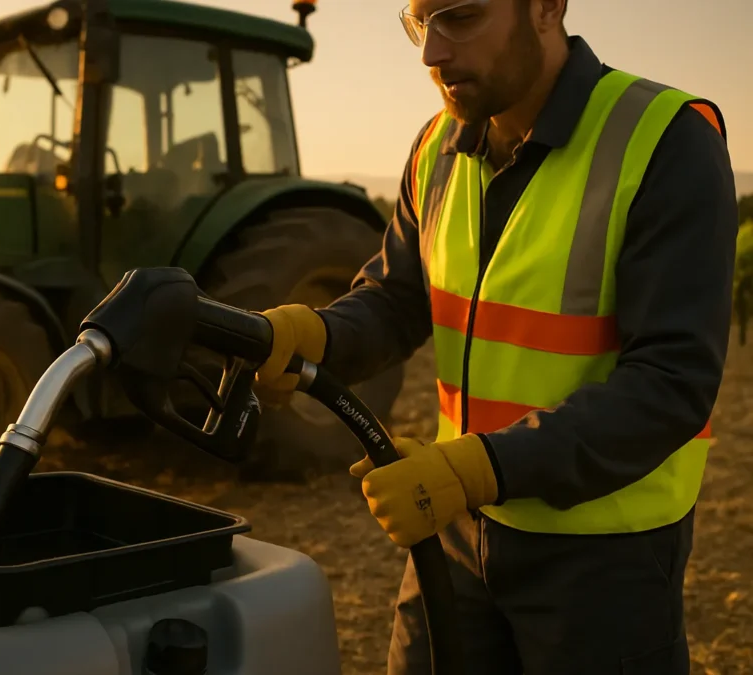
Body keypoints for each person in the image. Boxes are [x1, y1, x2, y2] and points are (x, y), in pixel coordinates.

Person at [254, 0, 738, 673]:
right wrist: (320, 334)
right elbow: (397, 299)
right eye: (419, 24)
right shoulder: (436, 147)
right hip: (455, 527)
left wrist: (478, 467)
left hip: (605, 556)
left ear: (546, 7)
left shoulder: (665, 141)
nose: (431, 54)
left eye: (460, 16)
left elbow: (670, 387)